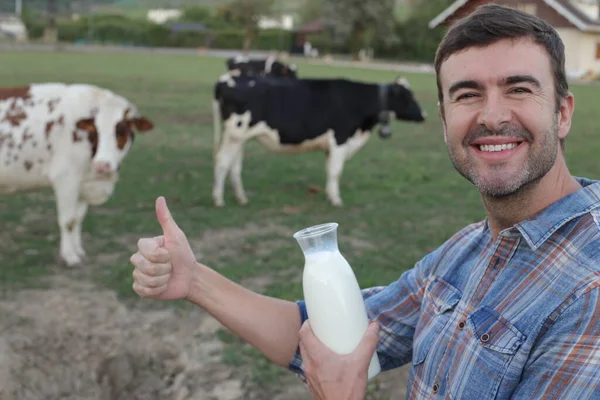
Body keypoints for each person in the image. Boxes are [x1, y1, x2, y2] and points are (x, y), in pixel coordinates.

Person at [129, 4, 600, 399]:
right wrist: (194, 280)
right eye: (467, 94)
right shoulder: (465, 253)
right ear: (444, 119)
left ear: (562, 112)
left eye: (519, 88)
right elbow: (321, 333)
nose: (492, 116)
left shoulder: (589, 291)